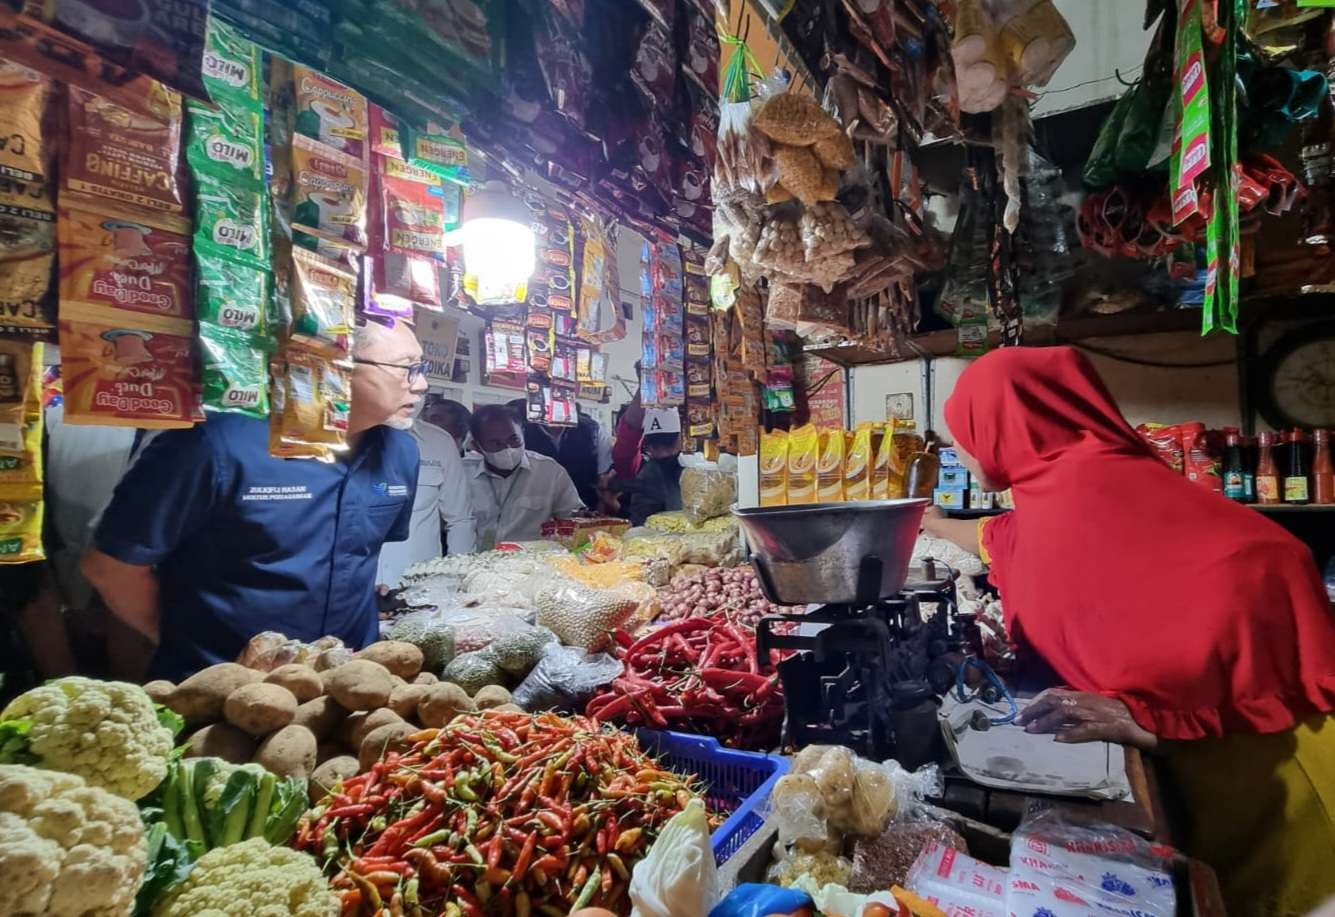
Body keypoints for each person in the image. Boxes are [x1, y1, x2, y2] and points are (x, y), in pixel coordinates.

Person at [923, 346, 1335, 917]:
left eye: (965, 431)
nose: (962, 451)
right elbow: (998, 536)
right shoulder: (1095, 476)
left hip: (1270, 765)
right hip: (1275, 725)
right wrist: (927, 519)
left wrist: (1147, 718)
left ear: (1000, 425)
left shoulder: (1066, 505)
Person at [81, 318, 427, 681]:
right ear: (336, 364)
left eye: (422, 368)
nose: (421, 385)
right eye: (407, 369)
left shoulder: (400, 454)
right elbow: (112, 567)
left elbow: (355, 558)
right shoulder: (216, 443)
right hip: (223, 691)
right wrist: (180, 642)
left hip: (344, 687)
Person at [375, 412, 476, 589]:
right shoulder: (338, 439)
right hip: (358, 588)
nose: (417, 388)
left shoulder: (439, 442)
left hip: (422, 588)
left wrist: (458, 581)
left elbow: (460, 520)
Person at [465, 404, 584, 548]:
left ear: (523, 433)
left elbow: (572, 517)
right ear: (477, 446)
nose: (507, 448)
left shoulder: (549, 471)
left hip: (530, 563)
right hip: (476, 562)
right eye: (496, 443)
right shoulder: (463, 473)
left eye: (514, 439)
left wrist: (583, 518)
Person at [508, 398, 612, 510]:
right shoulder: (520, 431)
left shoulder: (592, 430)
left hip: (583, 510)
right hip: (532, 512)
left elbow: (604, 479)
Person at [621, 407, 684, 526]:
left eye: (668, 444)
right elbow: (641, 522)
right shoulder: (649, 476)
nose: (663, 452)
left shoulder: (696, 463)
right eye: (656, 446)